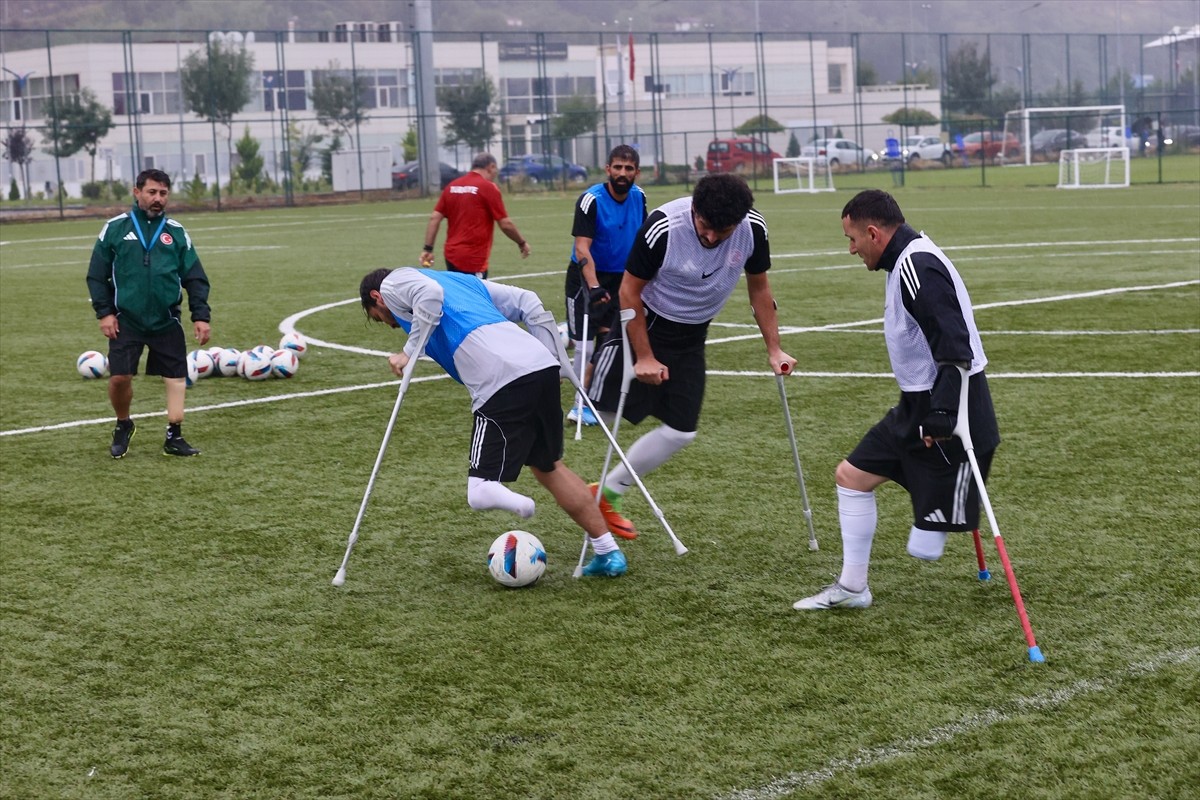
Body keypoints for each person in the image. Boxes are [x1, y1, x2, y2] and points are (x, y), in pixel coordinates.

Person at [794, 189, 999, 611]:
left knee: (926, 546)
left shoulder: (916, 266)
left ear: (872, 232)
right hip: (916, 406)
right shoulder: (905, 260)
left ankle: (936, 519)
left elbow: (955, 345)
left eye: (852, 239)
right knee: (850, 476)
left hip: (951, 411)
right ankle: (853, 588)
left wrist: (942, 414)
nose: (851, 250)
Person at [359, 266, 629, 577]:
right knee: (549, 468)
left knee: (479, 490)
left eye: (382, 317)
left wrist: (408, 353)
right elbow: (528, 301)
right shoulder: (463, 281)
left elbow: (430, 296)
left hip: (499, 378)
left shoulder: (395, 282)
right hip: (539, 366)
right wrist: (555, 361)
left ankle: (524, 507)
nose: (392, 324)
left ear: (377, 297)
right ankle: (608, 551)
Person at [587, 173, 795, 538]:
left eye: (723, 230)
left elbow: (760, 288)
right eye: (705, 225)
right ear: (694, 208)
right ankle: (560, 356)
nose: (712, 237)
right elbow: (629, 292)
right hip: (643, 325)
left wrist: (774, 348)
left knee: (681, 431)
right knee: (602, 414)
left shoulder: (753, 229)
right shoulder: (664, 227)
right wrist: (645, 357)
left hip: (692, 335)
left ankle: (606, 493)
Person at [86, 168, 211, 459]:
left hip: (166, 319)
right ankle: (123, 423)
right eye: (152, 192)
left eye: (163, 193)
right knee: (119, 377)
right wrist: (105, 313)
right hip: (126, 319)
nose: (158, 198)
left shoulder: (176, 232)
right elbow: (96, 275)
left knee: (176, 377)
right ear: (137, 192)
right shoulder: (115, 228)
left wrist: (200, 315)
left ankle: (174, 435)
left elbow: (195, 277)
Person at [564, 144, 647, 427]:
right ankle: (578, 404)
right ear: (607, 169)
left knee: (607, 344)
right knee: (585, 349)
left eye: (628, 168)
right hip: (587, 278)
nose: (622, 173)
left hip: (621, 279)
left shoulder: (639, 197)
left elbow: (642, 242)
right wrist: (595, 286)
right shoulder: (591, 200)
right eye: (617, 167)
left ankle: (590, 399)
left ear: (637, 172)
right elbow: (582, 248)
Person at [419, 153, 530, 279]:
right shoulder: (488, 187)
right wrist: (521, 242)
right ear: (491, 167)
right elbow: (505, 224)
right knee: (475, 296)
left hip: (451, 255)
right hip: (473, 257)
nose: (495, 174)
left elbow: (435, 218)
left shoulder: (452, 186)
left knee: (459, 293)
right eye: (495, 170)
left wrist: (428, 249)